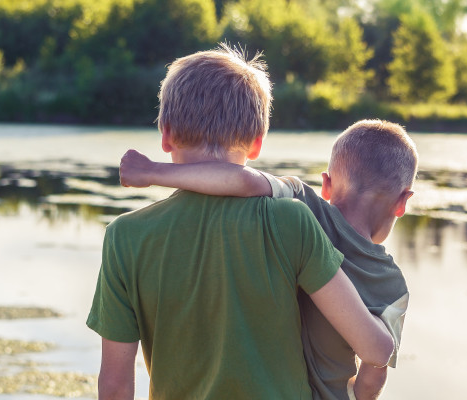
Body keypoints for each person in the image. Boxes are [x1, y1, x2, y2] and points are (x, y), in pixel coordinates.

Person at [87, 45, 394, 400]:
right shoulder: (291, 221)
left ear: (166, 134)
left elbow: (114, 387)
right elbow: (374, 350)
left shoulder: (125, 237)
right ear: (257, 144)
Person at [118, 119, 417, 400]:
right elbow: (372, 377)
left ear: (326, 184)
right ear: (403, 202)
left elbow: (242, 181)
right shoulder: (394, 286)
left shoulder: (305, 205)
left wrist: (153, 172)